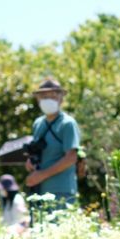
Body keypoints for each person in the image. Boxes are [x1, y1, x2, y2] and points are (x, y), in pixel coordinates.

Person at [25, 77, 81, 209]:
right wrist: (30, 162)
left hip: (62, 191)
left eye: (53, 95)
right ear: (38, 99)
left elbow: (71, 157)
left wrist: (41, 175)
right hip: (39, 191)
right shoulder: (38, 123)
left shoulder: (67, 123)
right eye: (43, 96)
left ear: (61, 98)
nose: (47, 99)